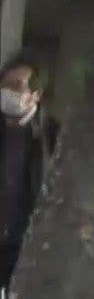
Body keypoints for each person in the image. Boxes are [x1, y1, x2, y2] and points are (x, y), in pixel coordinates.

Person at [0, 55, 57, 294]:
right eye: (3, 85)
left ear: (36, 94)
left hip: (25, 247)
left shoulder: (52, 137)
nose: (6, 92)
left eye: (16, 86)